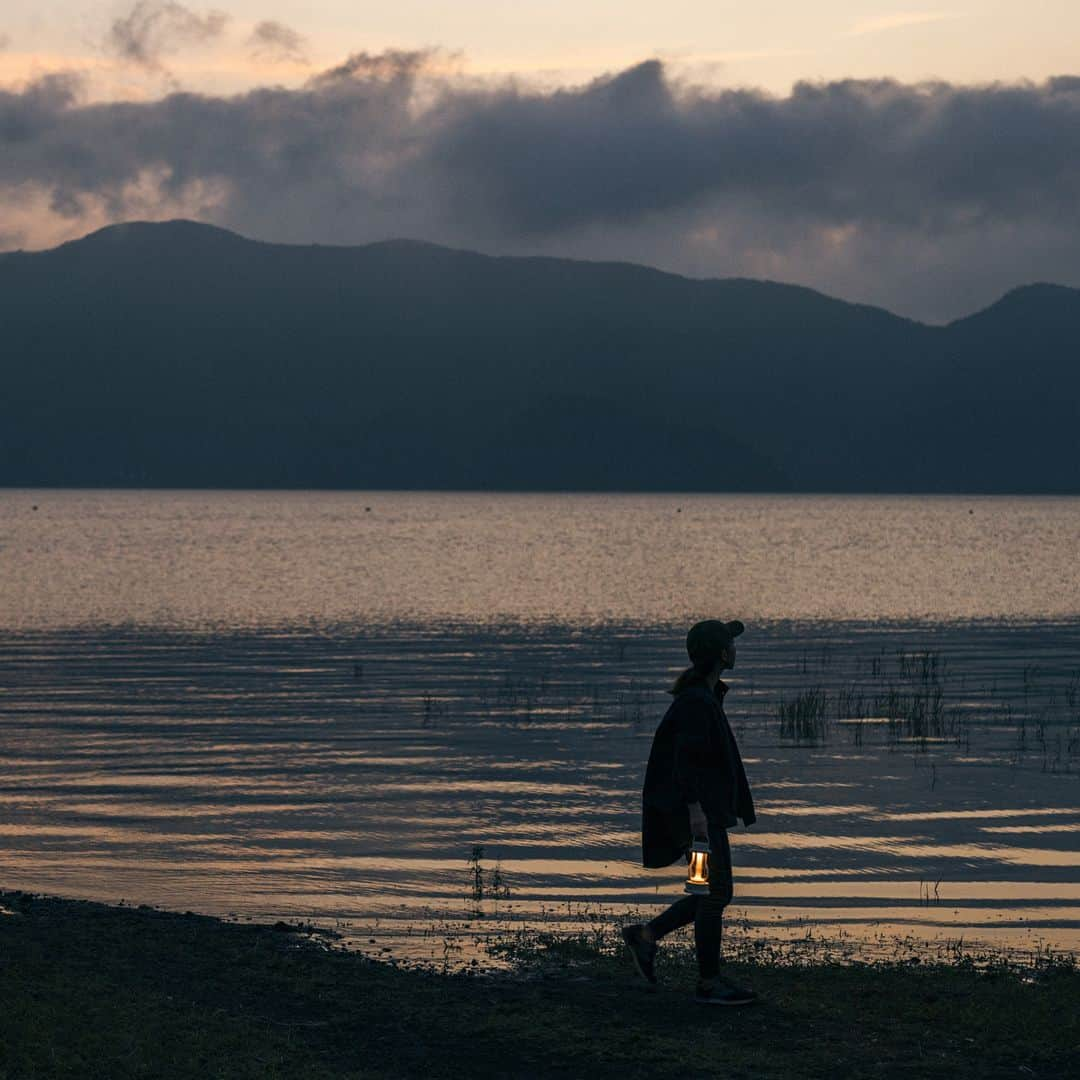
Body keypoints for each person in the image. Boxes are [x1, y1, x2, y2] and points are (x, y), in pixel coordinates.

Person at [621, 618, 758, 1005]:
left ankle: (645, 937)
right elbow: (685, 761)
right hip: (698, 819)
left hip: (697, 816)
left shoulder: (702, 695)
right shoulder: (697, 701)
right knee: (716, 894)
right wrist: (697, 813)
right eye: (730, 643)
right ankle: (709, 983)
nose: (735, 648)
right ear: (721, 654)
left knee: (705, 891)